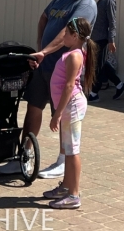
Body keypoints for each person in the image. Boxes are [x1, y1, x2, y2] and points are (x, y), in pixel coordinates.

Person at [0, 0, 97, 180]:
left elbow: (67, 33)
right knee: (33, 106)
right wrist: (40, 43)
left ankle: (63, 161)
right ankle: (24, 156)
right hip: (43, 67)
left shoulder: (86, 5)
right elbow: (44, 17)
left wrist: (44, 50)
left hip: (62, 69)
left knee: (62, 117)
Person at [40, 17, 98, 210]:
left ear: (75, 36)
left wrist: (56, 113)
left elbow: (69, 86)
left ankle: (74, 194)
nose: (63, 36)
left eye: (66, 33)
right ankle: (66, 186)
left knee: (72, 151)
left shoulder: (74, 55)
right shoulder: (72, 52)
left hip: (71, 106)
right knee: (67, 150)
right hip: (67, 107)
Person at [89, 0, 124, 102]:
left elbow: (112, 22)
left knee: (97, 67)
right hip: (95, 38)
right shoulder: (100, 1)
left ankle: (94, 93)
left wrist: (111, 40)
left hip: (102, 39)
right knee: (101, 65)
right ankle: (120, 85)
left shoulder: (109, 1)